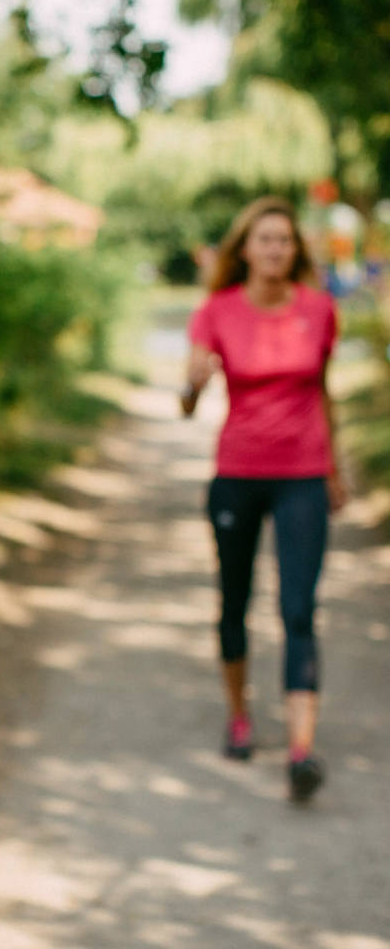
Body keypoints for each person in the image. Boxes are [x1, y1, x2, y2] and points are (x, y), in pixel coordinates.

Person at [181, 196, 346, 803]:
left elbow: (324, 392)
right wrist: (193, 389)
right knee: (235, 601)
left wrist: (336, 469)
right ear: (245, 250)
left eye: (285, 240)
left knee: (299, 609)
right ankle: (240, 717)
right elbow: (188, 400)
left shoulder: (319, 310)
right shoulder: (216, 312)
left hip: (303, 474)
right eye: (265, 239)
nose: (276, 248)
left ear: (295, 250)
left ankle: (302, 750)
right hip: (239, 475)